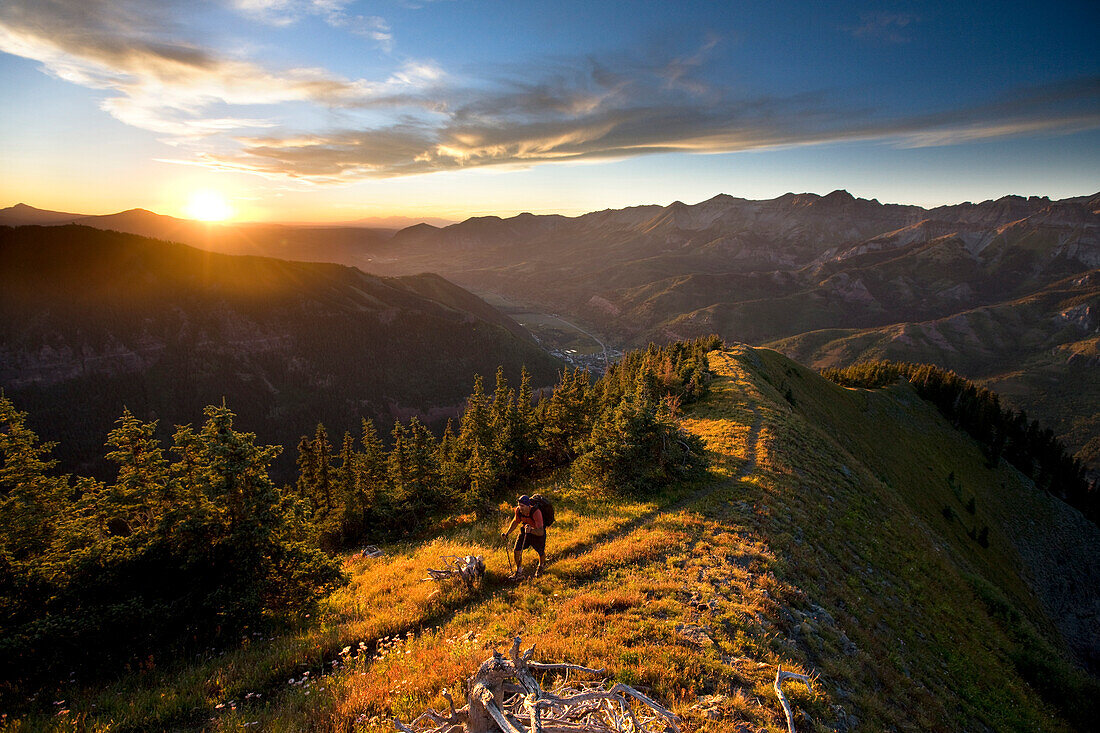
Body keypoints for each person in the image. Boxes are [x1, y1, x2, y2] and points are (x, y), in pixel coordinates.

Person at [501, 494, 545, 579]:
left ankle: (541, 566)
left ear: (528, 506)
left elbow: (541, 532)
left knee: (541, 552)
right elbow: (515, 522)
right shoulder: (518, 511)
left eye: (522, 506)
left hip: (536, 533)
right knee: (517, 550)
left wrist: (531, 530)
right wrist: (507, 533)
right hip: (525, 531)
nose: (520, 507)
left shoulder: (536, 512)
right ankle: (519, 572)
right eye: (519, 505)